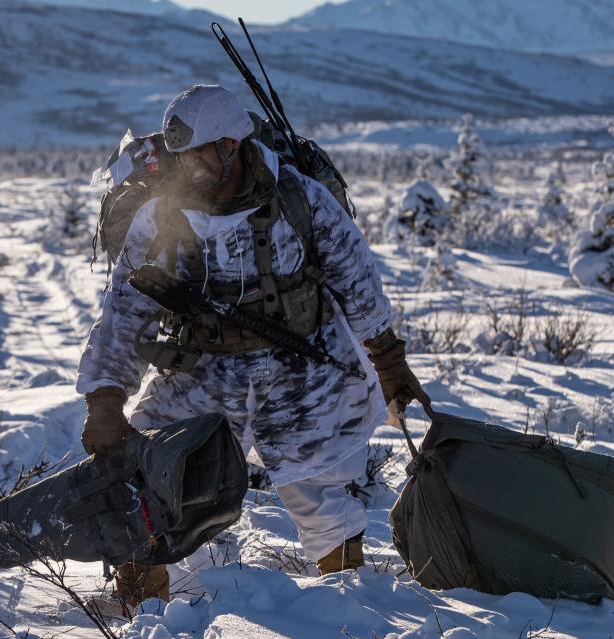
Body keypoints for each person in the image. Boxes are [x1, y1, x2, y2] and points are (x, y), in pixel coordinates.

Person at [76, 84, 429, 607]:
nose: (188, 165)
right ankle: (142, 612)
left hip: (304, 371)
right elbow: (125, 313)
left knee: (323, 495)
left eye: (200, 152)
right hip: (203, 373)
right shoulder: (161, 218)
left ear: (231, 146)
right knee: (147, 483)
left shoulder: (299, 200)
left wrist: (389, 361)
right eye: (181, 154)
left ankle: (348, 611)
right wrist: (105, 400)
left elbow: (356, 279)